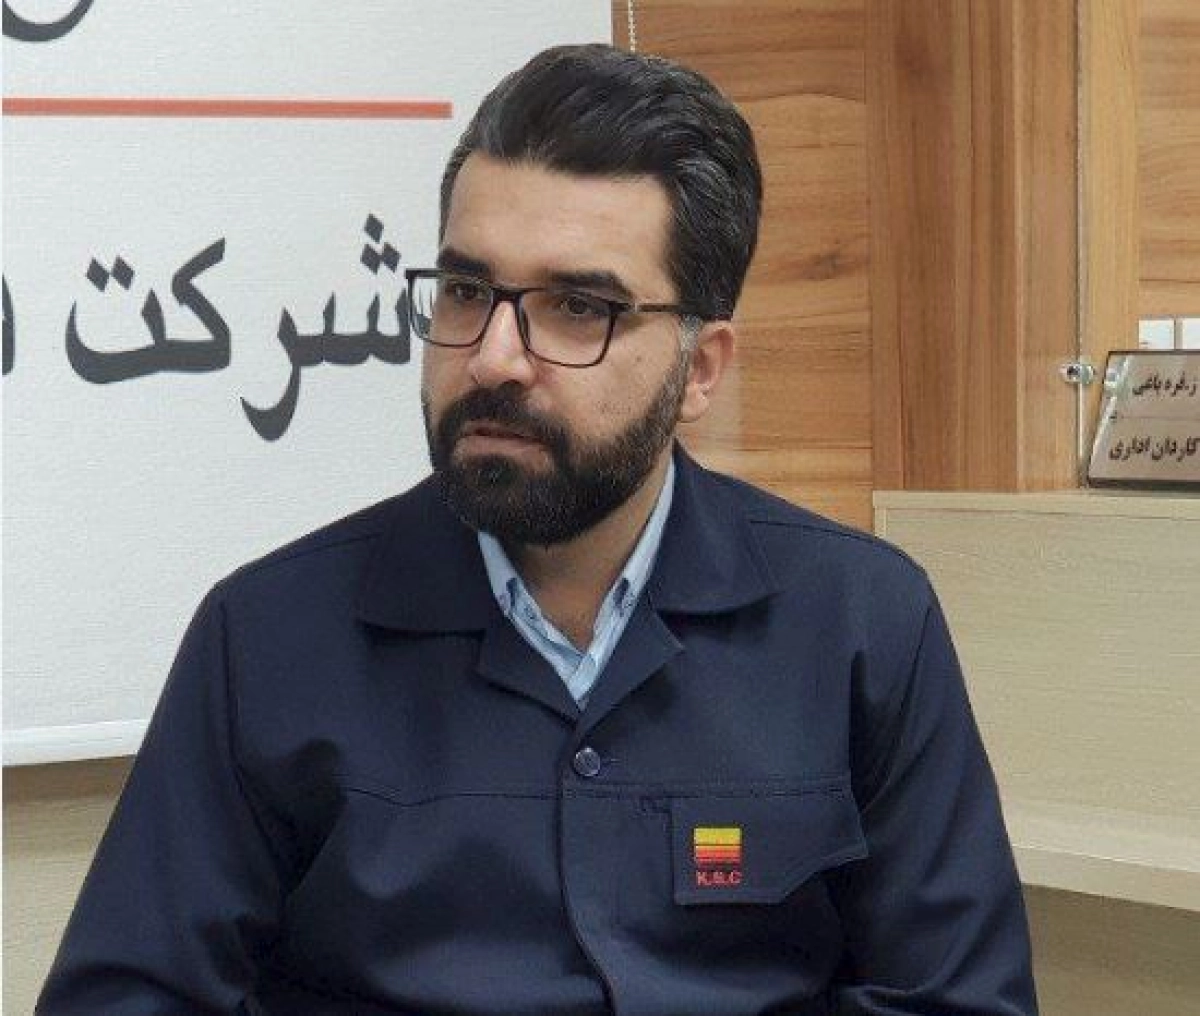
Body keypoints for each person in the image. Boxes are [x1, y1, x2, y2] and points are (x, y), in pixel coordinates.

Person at [38, 43, 1039, 1016]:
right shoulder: (266, 636)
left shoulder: (863, 621)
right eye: (467, 292)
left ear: (699, 370)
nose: (494, 358)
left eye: (577, 307)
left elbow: (957, 998)